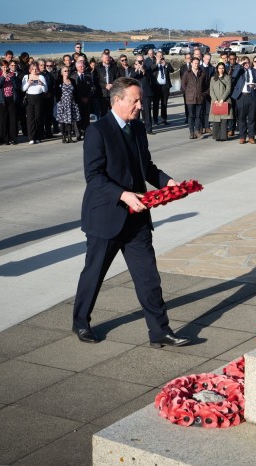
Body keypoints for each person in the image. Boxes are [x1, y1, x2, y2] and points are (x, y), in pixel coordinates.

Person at [72, 77, 191, 348]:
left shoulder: (137, 128)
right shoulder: (97, 131)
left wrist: (168, 183)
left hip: (137, 218)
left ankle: (160, 332)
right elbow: (94, 176)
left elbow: (146, 167)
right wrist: (122, 194)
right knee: (94, 274)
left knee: (148, 277)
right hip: (107, 217)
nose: (140, 105)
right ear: (117, 100)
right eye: (135, 100)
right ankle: (80, 322)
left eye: (141, 100)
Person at [231, 57, 256, 144]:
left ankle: (251, 136)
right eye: (244, 63)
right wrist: (240, 64)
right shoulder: (240, 71)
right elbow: (233, 75)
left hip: (252, 96)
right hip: (242, 96)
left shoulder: (255, 72)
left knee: (251, 118)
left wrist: (255, 85)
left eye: (247, 62)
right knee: (241, 118)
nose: (246, 64)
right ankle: (242, 136)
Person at [0, 60, 21, 145]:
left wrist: (11, 77)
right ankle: (4, 138)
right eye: (4, 67)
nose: (5, 69)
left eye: (7, 67)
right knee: (3, 120)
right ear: (1, 67)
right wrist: (3, 77)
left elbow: (17, 86)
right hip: (1, 101)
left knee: (12, 120)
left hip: (11, 99)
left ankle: (13, 138)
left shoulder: (13, 75)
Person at [181, 57, 208, 139]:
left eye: (197, 63)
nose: (196, 65)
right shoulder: (187, 73)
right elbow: (183, 85)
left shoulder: (202, 73)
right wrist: (188, 93)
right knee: (191, 115)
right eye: (195, 63)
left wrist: (204, 94)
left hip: (199, 98)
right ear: (191, 63)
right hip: (190, 99)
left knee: (198, 116)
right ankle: (191, 132)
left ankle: (197, 131)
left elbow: (207, 86)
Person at [21, 62, 47, 144]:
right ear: (30, 69)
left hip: (39, 98)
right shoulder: (26, 76)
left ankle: (38, 136)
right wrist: (28, 83)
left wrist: (42, 84)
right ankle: (31, 137)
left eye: (36, 69)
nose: (35, 70)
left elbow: (45, 90)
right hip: (29, 98)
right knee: (30, 119)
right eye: (33, 69)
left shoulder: (41, 77)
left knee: (38, 118)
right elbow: (23, 89)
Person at [71, 59, 96, 140]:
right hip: (77, 101)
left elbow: (92, 88)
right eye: (80, 66)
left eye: (83, 66)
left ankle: (86, 133)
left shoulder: (88, 76)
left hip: (87, 100)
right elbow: (73, 90)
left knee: (86, 118)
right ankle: (78, 133)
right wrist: (80, 98)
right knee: (77, 118)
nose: (82, 67)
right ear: (77, 67)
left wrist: (87, 97)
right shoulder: (73, 77)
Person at [55, 65, 81, 143]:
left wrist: (75, 102)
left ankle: (69, 137)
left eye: (68, 71)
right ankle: (64, 137)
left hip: (71, 103)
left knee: (70, 121)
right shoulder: (58, 81)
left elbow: (75, 92)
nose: (67, 72)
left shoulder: (72, 80)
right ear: (62, 72)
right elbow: (56, 92)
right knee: (62, 121)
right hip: (62, 103)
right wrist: (59, 101)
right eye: (65, 71)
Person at [208, 62, 232, 142]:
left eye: (222, 68)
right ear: (217, 69)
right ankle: (216, 136)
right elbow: (211, 90)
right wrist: (215, 100)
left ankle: (223, 136)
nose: (221, 70)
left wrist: (222, 99)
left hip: (224, 101)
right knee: (216, 119)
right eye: (219, 68)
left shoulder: (227, 77)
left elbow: (228, 89)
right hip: (215, 101)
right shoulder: (213, 78)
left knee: (224, 120)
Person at [132, 55, 156, 134]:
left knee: (147, 112)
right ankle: (137, 129)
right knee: (136, 112)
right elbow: (132, 78)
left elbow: (150, 77)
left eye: (141, 61)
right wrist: (136, 69)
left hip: (146, 93)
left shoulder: (147, 68)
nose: (140, 62)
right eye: (139, 61)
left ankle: (149, 129)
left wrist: (143, 70)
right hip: (136, 94)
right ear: (136, 61)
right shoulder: (134, 70)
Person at [152, 51, 174, 126]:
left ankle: (164, 119)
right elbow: (151, 70)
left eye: (161, 56)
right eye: (158, 56)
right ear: (155, 56)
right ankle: (155, 120)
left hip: (165, 86)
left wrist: (166, 65)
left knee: (164, 103)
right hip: (156, 87)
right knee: (156, 104)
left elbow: (172, 70)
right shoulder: (153, 63)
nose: (160, 57)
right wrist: (157, 63)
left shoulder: (166, 63)